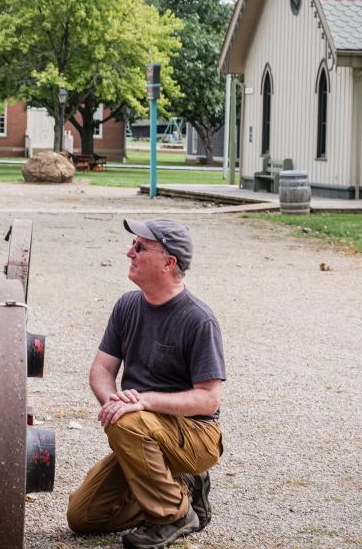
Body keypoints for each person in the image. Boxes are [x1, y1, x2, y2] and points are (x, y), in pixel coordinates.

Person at [67, 219, 226, 549]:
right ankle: (179, 490)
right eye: (133, 245)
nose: (130, 252)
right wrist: (114, 399)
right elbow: (101, 369)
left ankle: (173, 515)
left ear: (169, 263)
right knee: (82, 517)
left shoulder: (198, 319)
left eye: (140, 247)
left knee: (128, 420)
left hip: (196, 434)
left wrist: (142, 402)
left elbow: (209, 399)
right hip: (141, 430)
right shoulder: (127, 305)